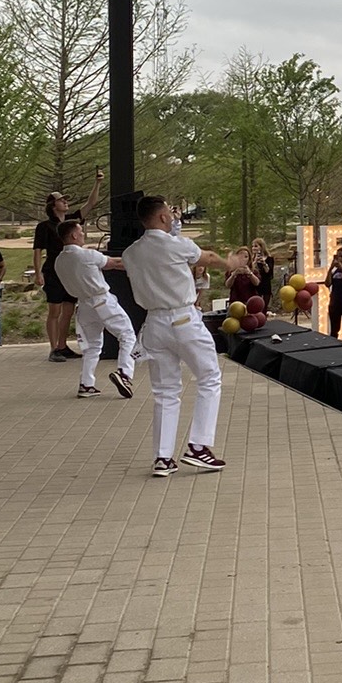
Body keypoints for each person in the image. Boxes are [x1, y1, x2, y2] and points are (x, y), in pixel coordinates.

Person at [121, 195, 226, 477]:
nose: (173, 216)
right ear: (163, 217)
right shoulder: (176, 244)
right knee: (209, 377)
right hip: (183, 317)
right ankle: (199, 446)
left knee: (165, 391)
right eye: (170, 212)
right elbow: (210, 258)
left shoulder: (131, 253)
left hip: (154, 322)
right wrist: (233, 263)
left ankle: (163, 457)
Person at [53, 217, 140, 399]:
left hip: (83, 304)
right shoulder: (86, 255)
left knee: (92, 347)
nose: (83, 234)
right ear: (75, 235)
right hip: (101, 300)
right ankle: (124, 373)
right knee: (127, 335)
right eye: (81, 231)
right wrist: (142, 263)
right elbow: (115, 264)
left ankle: (86, 384)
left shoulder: (59, 261)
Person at [33, 172, 101, 361]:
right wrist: (38, 273)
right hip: (53, 272)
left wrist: (97, 183)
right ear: (52, 205)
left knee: (69, 310)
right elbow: (38, 250)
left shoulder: (71, 222)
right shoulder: (45, 226)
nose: (65, 202)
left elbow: (90, 205)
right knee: (54, 310)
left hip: (71, 271)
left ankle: (63, 346)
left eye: (65, 200)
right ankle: (53, 348)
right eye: (61, 200)